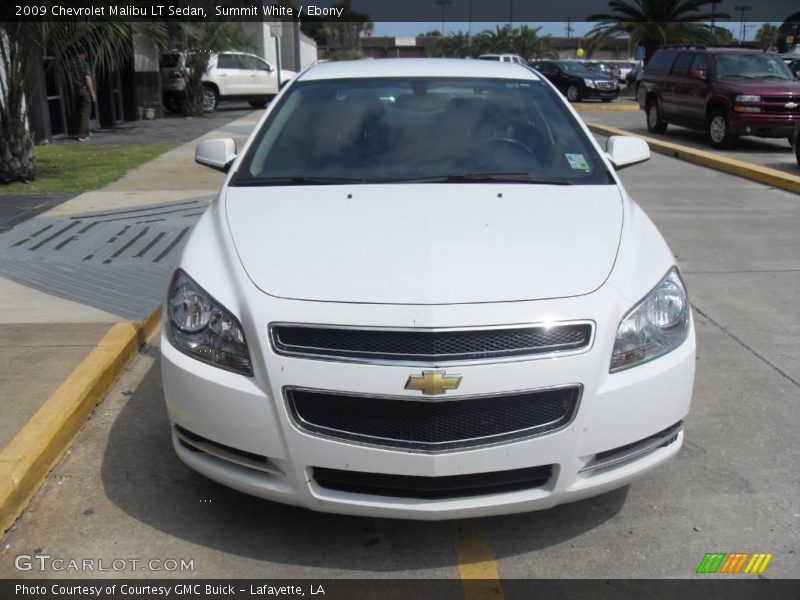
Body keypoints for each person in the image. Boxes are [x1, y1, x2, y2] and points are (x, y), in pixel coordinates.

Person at [65, 50, 95, 141]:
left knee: (78, 111)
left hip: (72, 90)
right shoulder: (83, 63)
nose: (86, 57)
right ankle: (83, 135)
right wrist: (92, 92)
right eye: (86, 55)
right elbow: (87, 77)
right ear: (84, 54)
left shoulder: (69, 63)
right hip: (82, 89)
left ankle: (83, 131)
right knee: (85, 112)